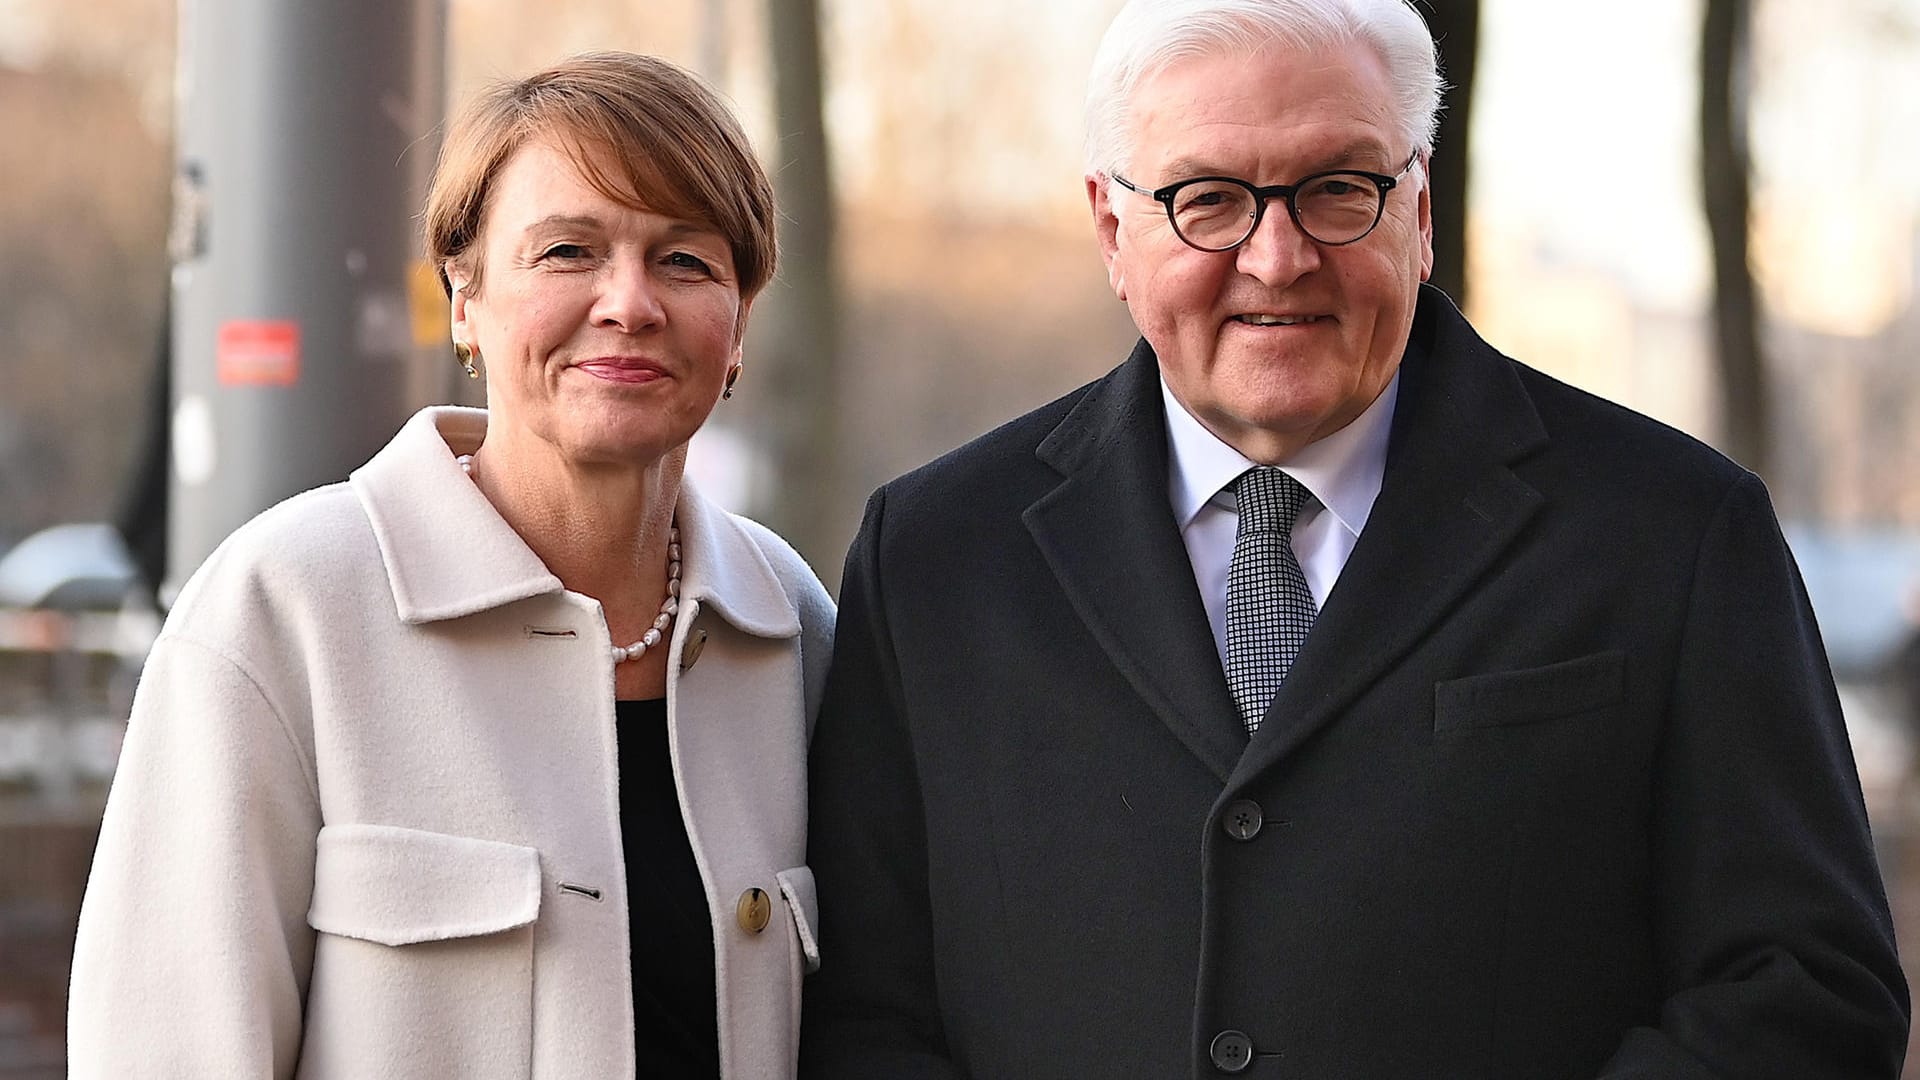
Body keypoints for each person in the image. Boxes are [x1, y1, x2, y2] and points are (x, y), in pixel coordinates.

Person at [800, 1, 1908, 1077]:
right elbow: (866, 1017)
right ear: (1111, 230)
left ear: (1418, 213)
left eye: (1338, 190)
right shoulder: (936, 558)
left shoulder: (1674, 533)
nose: (1278, 257)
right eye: (1209, 199)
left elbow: (1804, 986)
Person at [69, 52, 832, 1079]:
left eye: (686, 261)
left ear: (738, 325)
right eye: (568, 251)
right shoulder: (281, 614)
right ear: (463, 299)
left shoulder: (796, 632)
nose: (629, 302)